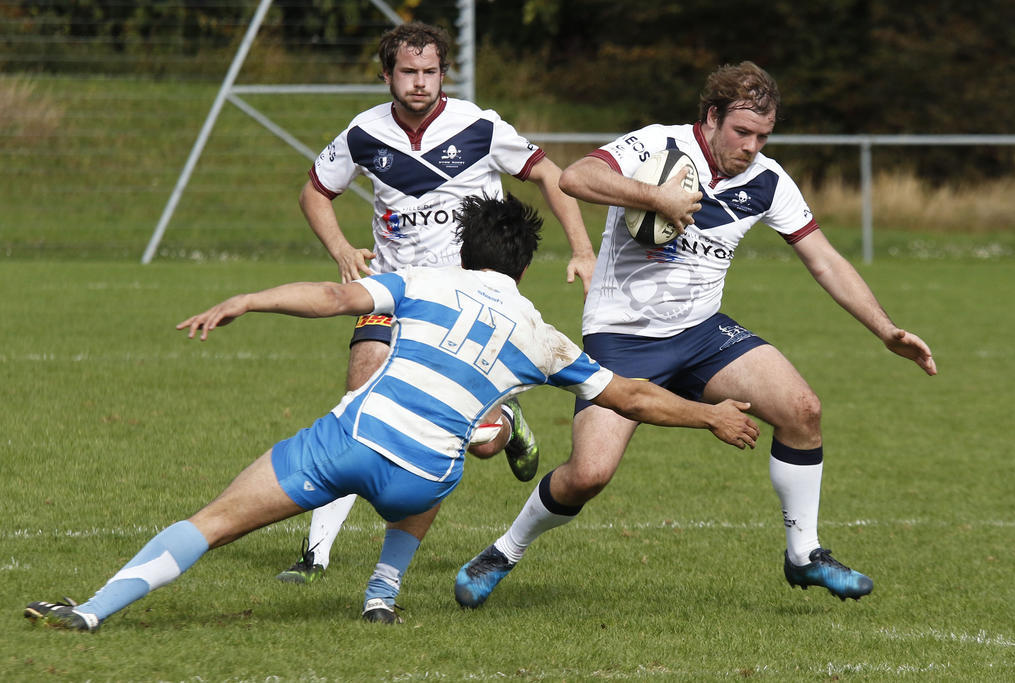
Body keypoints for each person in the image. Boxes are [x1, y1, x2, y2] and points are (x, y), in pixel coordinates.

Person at [24, 194, 757, 632]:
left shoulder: (428, 281)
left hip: (349, 445)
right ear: (524, 267)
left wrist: (247, 298)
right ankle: (382, 593)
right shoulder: (545, 336)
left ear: (465, 249)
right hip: (420, 484)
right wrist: (710, 415)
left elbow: (337, 297)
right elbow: (626, 394)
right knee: (444, 454)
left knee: (212, 521)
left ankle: (91, 609)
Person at [454, 61, 938, 609]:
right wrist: (654, 197)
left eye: (762, 136)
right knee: (587, 475)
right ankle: (503, 550)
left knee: (802, 409)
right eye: (742, 132)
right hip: (622, 338)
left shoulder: (768, 181)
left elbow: (823, 260)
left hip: (704, 334)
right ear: (711, 116)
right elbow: (575, 178)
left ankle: (804, 555)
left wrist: (885, 329)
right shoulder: (659, 146)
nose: (752, 146)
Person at [276, 20, 597, 594]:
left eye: (430, 72)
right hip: (395, 290)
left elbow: (551, 173)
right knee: (359, 399)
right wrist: (343, 249)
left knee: (480, 440)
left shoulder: (479, 126)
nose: (420, 83)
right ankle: (315, 555)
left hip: (470, 300)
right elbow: (314, 193)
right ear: (386, 75)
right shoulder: (363, 134)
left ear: (443, 73)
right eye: (408, 72)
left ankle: (507, 423)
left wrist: (582, 248)